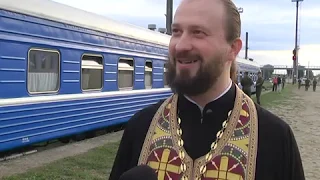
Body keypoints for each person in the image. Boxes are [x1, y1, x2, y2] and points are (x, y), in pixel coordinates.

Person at [109, 0, 305, 180]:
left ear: (233, 49)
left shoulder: (275, 138)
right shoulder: (141, 127)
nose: (181, 46)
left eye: (198, 32)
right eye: (176, 32)